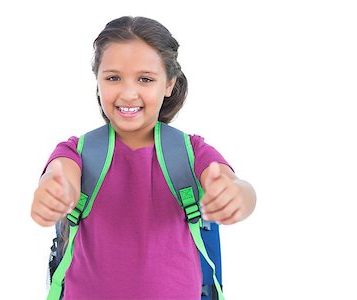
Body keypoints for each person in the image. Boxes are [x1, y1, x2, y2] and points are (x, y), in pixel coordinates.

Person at [31, 16, 256, 299]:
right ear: (97, 80)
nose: (127, 93)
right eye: (113, 78)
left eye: (145, 79)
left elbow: (236, 185)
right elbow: (60, 175)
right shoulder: (76, 151)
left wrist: (236, 196)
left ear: (169, 84)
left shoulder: (192, 152)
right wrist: (55, 190)